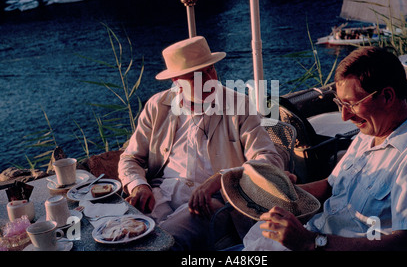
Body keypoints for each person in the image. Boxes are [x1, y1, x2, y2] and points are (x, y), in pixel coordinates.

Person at [240, 46, 407, 251]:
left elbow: (406, 244)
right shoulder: (368, 134)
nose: (345, 116)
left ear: (387, 96)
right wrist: (285, 191)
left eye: (352, 104)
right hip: (316, 235)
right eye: (341, 104)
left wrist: (310, 242)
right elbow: (330, 186)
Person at [117, 36, 284, 250]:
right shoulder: (157, 106)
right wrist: (139, 186)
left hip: (214, 201)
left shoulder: (238, 105)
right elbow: (130, 158)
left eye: (211, 70)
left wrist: (220, 178)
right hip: (160, 193)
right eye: (197, 76)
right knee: (122, 235)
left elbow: (270, 160)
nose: (210, 79)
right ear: (176, 81)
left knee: (162, 244)